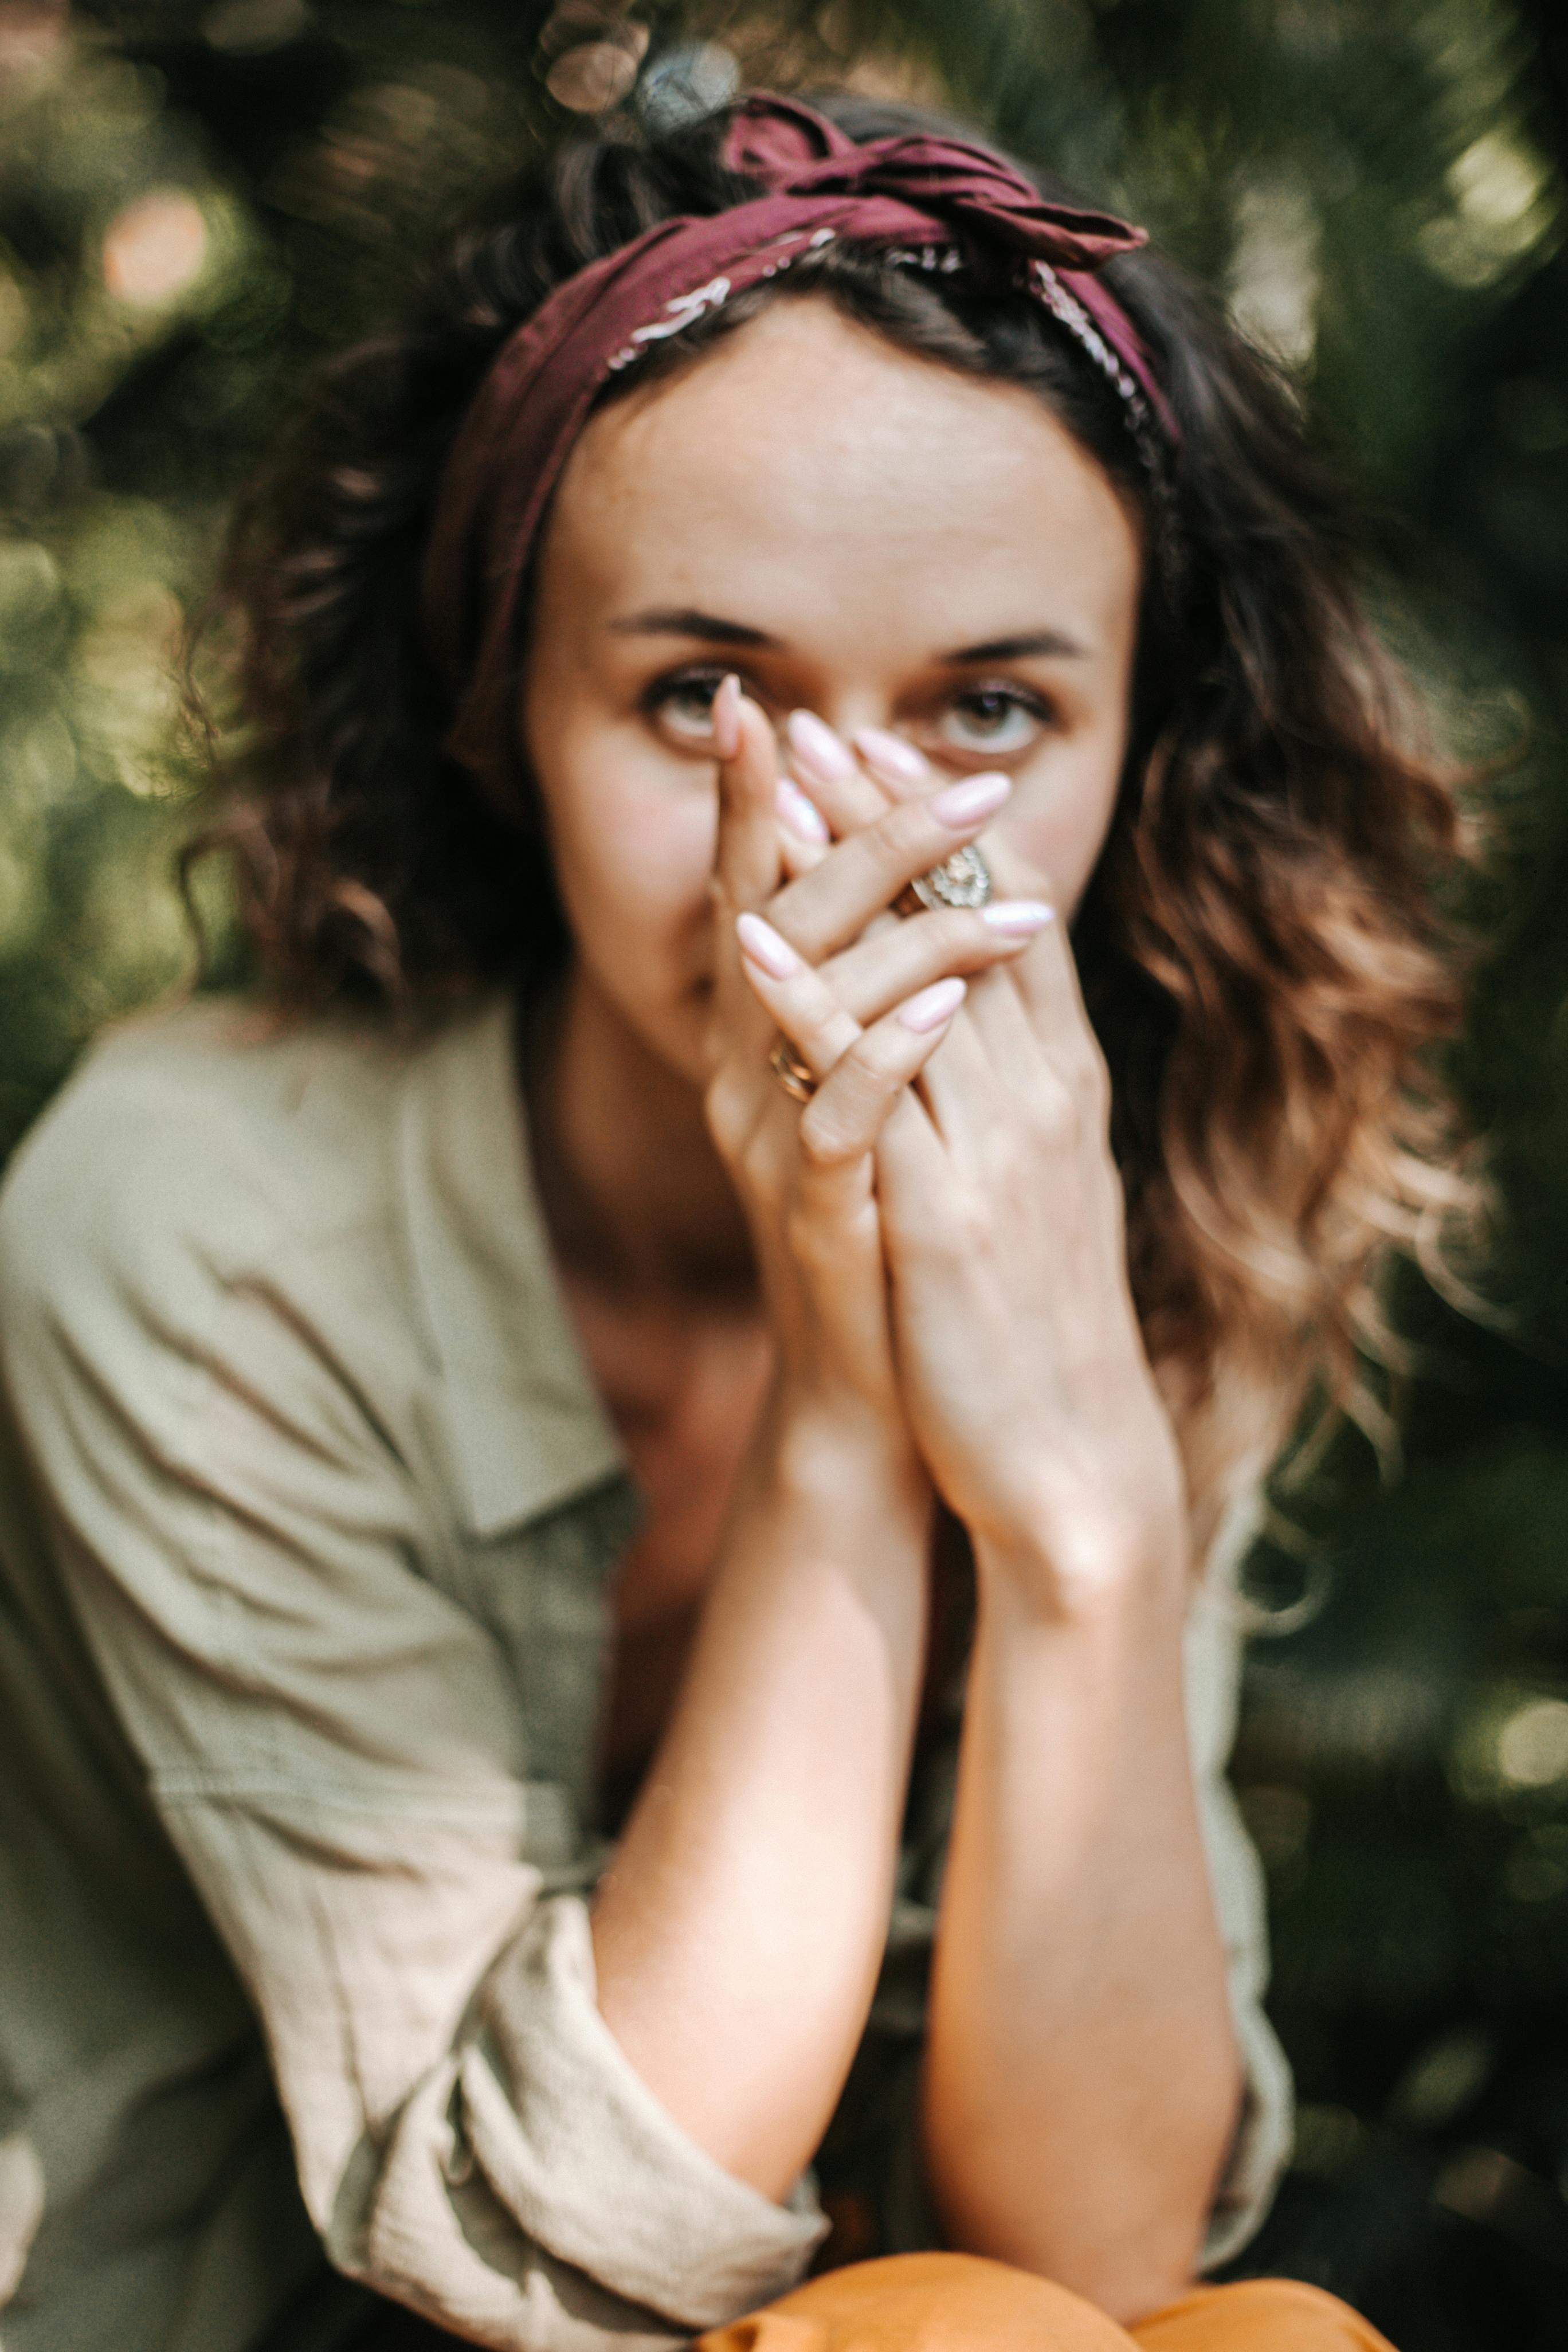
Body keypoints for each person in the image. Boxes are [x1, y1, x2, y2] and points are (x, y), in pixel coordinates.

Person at [0, 87, 1471, 2352]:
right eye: (704, 693)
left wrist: (1082, 1505)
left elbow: (1097, 2263)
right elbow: (562, 2267)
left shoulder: (1138, 1197)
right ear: (504, 716)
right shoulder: (195, 1227)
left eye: (989, 706)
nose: (843, 844)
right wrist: (850, 1405)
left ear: (1140, 750)